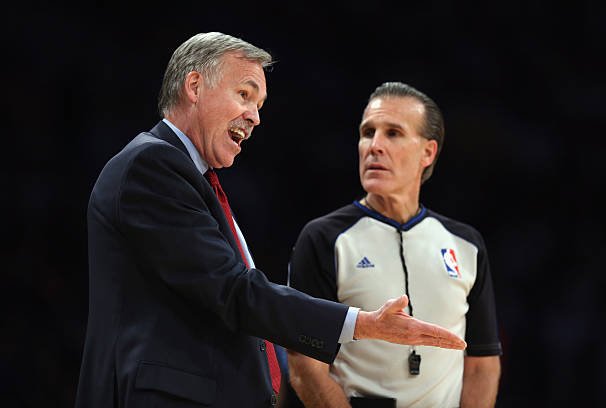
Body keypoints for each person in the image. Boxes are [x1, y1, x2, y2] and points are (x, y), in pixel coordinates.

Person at [75, 34, 466, 408]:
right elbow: (233, 292)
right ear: (194, 86)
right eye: (244, 94)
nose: (255, 117)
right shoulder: (153, 166)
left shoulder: (189, 178)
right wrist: (360, 323)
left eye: (259, 103)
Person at [287, 82, 502, 408]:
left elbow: (482, 363)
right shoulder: (324, 239)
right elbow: (305, 365)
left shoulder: (466, 244)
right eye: (367, 132)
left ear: (427, 152)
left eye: (393, 133)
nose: (374, 146)